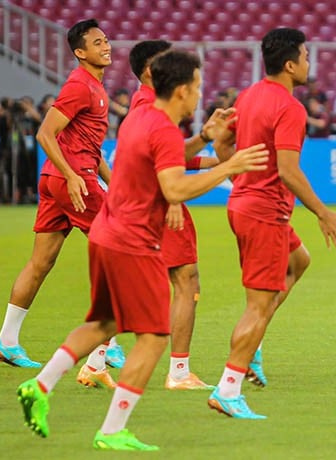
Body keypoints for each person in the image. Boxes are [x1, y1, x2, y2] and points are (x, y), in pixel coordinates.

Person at [15, 49, 269, 451]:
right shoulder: (162, 127)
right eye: (198, 87)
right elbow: (173, 187)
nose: (200, 95)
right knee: (152, 337)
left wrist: (204, 138)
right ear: (183, 90)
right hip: (133, 243)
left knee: (104, 323)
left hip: (105, 233)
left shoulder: (142, 116)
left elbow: (165, 157)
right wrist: (228, 168)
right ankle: (113, 430)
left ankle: (39, 384)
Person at [210, 27, 336, 418]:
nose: (309, 63)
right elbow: (288, 170)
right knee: (260, 304)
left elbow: (222, 146)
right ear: (290, 64)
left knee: (299, 261)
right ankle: (229, 386)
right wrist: (322, 211)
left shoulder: (249, 95)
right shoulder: (290, 108)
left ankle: (249, 348)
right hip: (265, 213)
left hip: (245, 204)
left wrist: (244, 181)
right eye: (305, 56)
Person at [0, 20, 117, 383]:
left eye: (105, 40)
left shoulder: (93, 86)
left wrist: (114, 183)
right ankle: (104, 345)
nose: (105, 46)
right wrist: (74, 176)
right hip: (73, 181)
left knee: (41, 260)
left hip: (59, 180)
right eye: (97, 42)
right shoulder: (80, 85)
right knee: (125, 251)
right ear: (80, 52)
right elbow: (46, 133)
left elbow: (91, 149)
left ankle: (7, 340)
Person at [125, 39, 236, 390]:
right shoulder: (154, 109)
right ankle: (178, 371)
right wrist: (174, 198)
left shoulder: (142, 104)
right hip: (160, 206)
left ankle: (95, 360)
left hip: (141, 206)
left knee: (139, 288)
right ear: (151, 70)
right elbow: (164, 164)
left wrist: (207, 144)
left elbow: (173, 154)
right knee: (185, 282)